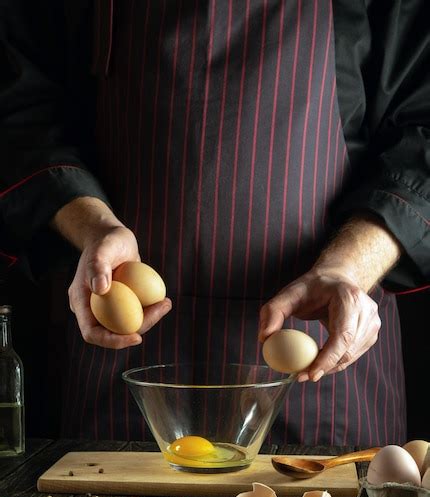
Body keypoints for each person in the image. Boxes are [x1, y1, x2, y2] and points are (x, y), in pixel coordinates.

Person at [0, 0, 429, 445]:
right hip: (123, 359)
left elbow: (423, 130)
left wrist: (347, 270)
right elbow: (20, 107)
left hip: (317, 357)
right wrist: (94, 228)